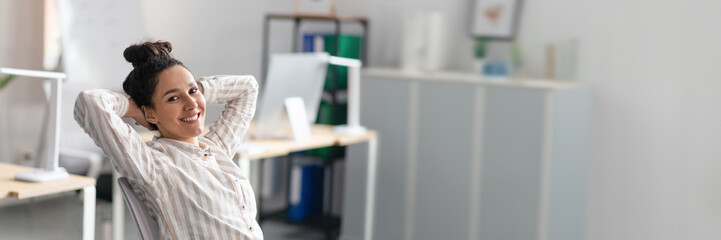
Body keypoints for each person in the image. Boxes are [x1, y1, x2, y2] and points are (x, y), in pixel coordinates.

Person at [74, 40, 263, 239]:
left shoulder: (216, 149)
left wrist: (197, 89)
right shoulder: (154, 164)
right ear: (151, 114)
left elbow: (248, 88)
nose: (191, 104)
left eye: (193, 92)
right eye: (173, 98)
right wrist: (134, 109)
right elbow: (89, 103)